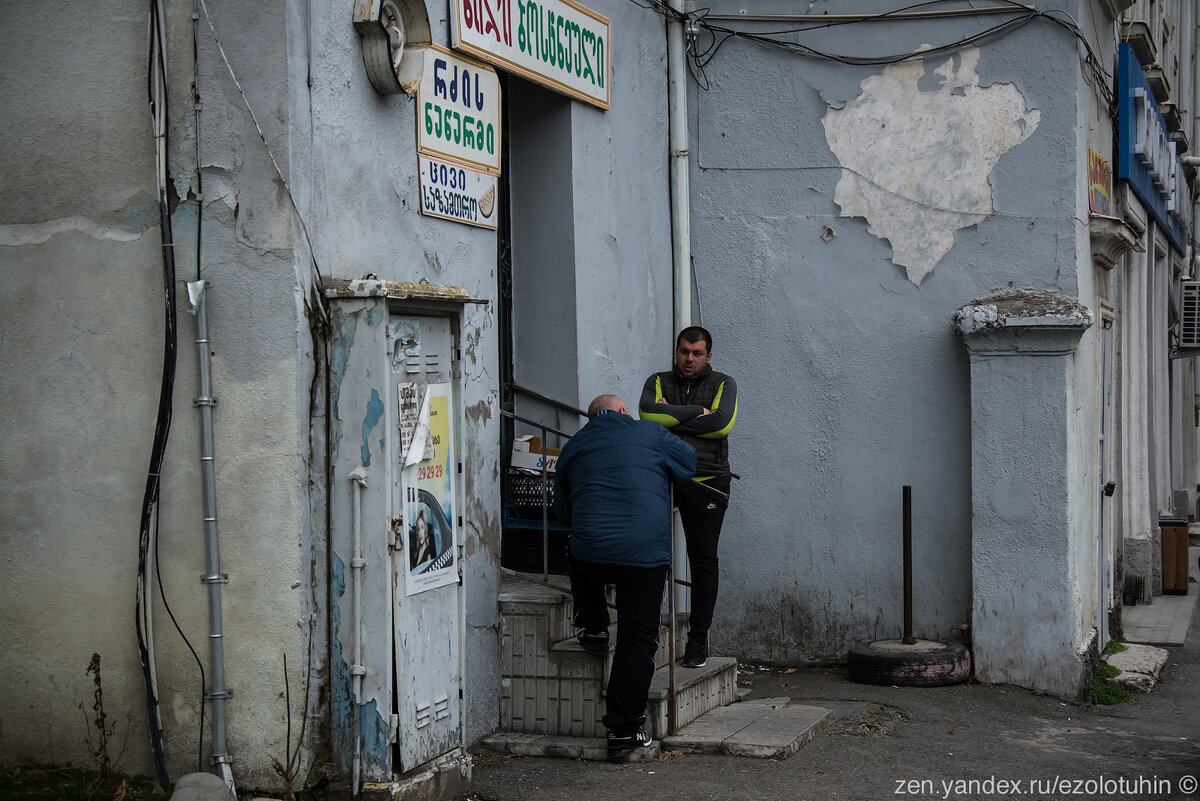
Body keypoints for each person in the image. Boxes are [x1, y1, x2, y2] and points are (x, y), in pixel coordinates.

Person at [553, 394, 696, 762]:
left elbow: (562, 511)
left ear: (592, 418)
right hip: (646, 555)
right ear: (622, 412)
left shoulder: (575, 446)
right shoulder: (650, 433)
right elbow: (689, 464)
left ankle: (595, 626)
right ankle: (622, 732)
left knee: (577, 549)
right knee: (637, 640)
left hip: (594, 552)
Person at [638, 326, 738, 669]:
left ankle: (697, 642)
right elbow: (648, 416)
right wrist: (699, 413)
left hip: (708, 480)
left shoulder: (725, 383)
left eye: (697, 353)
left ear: (709, 356)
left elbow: (722, 425)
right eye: (684, 352)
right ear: (676, 351)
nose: (689, 359)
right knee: (650, 556)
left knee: (703, 560)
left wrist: (672, 417)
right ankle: (646, 634)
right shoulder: (657, 380)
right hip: (662, 478)